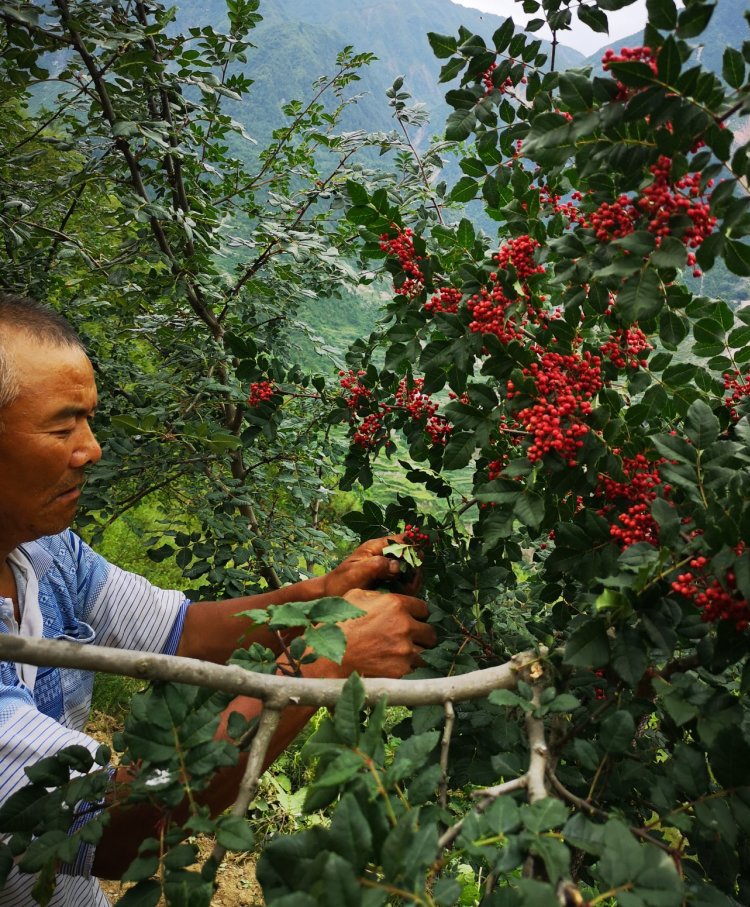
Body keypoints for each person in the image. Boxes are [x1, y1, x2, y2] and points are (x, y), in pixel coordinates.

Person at [0, 293, 435, 905]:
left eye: (89, 420)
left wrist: (322, 597)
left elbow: (180, 631)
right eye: (63, 424)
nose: (91, 448)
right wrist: (319, 665)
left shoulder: (46, 552)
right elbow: (106, 831)